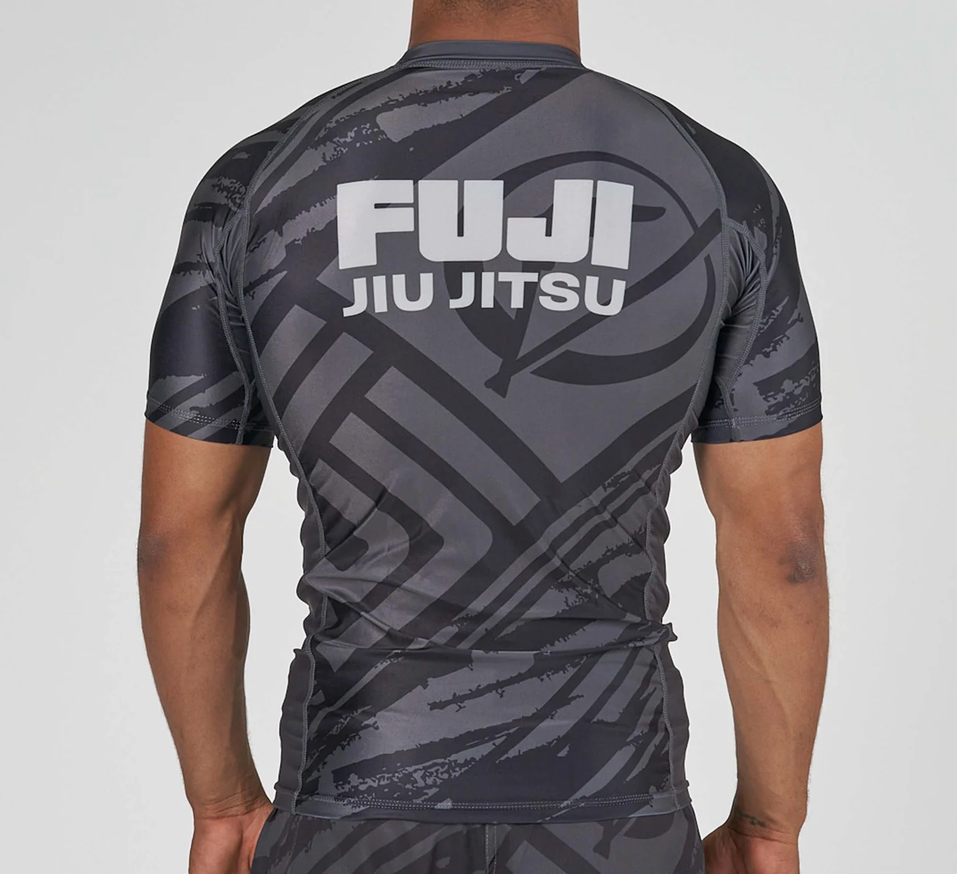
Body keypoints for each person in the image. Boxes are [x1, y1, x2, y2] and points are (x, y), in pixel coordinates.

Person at [138, 0, 829, 871]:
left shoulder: (260, 183)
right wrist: (768, 824)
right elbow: (783, 551)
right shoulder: (719, 189)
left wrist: (222, 805)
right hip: (612, 799)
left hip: (355, 799)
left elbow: (179, 539)